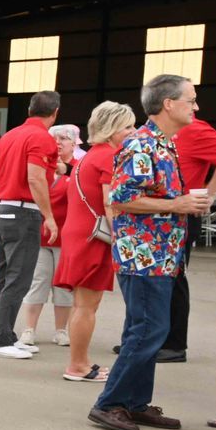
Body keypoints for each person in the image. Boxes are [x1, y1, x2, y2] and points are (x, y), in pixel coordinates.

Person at [87, 77, 212, 430]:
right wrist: (178, 204)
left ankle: (135, 403)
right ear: (169, 104)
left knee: (146, 330)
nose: (196, 106)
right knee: (149, 330)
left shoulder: (161, 144)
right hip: (144, 256)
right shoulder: (142, 145)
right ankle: (109, 403)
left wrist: (180, 207)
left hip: (158, 255)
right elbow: (121, 198)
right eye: (191, 100)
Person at [55, 102, 137, 383]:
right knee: (87, 305)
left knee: (83, 304)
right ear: (112, 129)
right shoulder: (108, 157)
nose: (133, 131)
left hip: (80, 233)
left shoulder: (89, 157)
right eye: (127, 126)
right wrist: (121, 240)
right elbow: (110, 202)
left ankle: (79, 362)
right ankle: (77, 365)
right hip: (94, 237)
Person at [162, 95, 216, 363]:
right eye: (191, 100)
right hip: (161, 212)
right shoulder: (164, 133)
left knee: (174, 278)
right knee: (155, 279)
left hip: (182, 214)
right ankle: (153, 337)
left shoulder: (195, 128)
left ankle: (174, 344)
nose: (196, 106)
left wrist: (207, 195)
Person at [0, 91, 59, 357]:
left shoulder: (10, 136)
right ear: (55, 113)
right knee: (19, 278)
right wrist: (48, 216)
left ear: (30, 109)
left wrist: (3, 201)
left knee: (4, 277)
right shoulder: (42, 138)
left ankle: (3, 333)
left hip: (1, 209)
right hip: (23, 213)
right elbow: (36, 178)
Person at [16, 125, 78, 347]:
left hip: (66, 237)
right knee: (38, 281)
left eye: (65, 138)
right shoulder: (41, 166)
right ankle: (29, 329)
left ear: (75, 143)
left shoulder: (78, 169)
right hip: (40, 234)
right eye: (55, 138)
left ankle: (61, 330)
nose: (59, 142)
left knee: (63, 286)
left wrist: (67, 171)